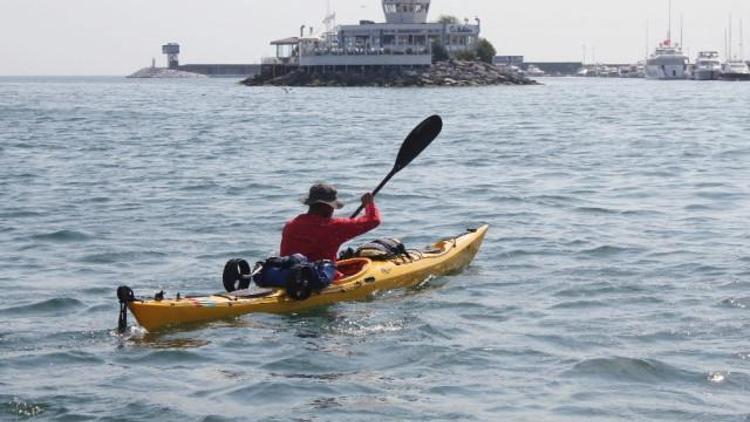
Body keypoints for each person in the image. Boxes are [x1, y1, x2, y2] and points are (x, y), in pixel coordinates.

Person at [280, 183, 381, 262]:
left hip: (287, 274)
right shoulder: (334, 226)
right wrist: (369, 204)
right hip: (316, 278)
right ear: (328, 207)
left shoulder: (291, 225)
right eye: (332, 207)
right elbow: (374, 220)